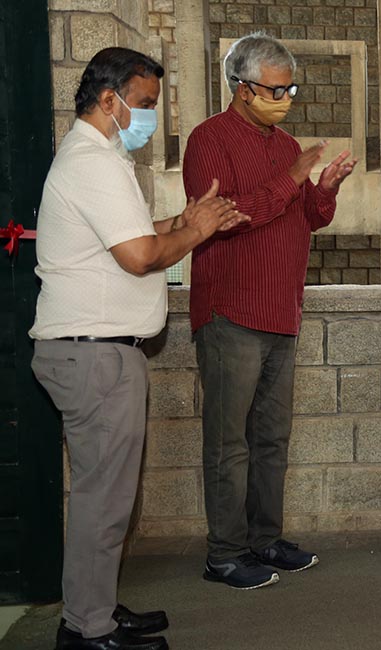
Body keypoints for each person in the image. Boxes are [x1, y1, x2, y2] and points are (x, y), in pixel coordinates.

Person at [30, 47, 246, 650]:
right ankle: (86, 629)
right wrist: (196, 232)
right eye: (145, 104)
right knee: (103, 501)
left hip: (99, 353)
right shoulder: (91, 162)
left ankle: (92, 608)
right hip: (93, 353)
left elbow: (140, 237)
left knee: (107, 498)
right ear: (108, 100)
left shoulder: (102, 158)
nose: (149, 117)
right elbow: (142, 257)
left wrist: (185, 220)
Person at [182, 33, 356, 590]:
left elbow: (307, 218)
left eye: (289, 89)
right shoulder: (209, 140)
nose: (283, 98)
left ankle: (263, 539)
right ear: (241, 87)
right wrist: (292, 177)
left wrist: (322, 188)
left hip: (282, 312)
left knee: (272, 439)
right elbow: (227, 216)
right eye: (273, 90)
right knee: (229, 442)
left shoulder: (286, 145)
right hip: (231, 310)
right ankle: (224, 553)